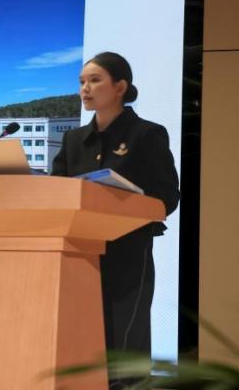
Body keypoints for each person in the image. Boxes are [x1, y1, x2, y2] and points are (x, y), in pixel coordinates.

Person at [51, 52, 180, 360]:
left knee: (123, 343)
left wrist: (128, 200)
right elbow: (56, 192)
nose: (85, 89)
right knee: (80, 342)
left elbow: (167, 196)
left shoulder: (147, 134)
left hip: (128, 253)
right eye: (81, 82)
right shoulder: (73, 140)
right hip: (78, 253)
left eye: (95, 80)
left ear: (120, 87)